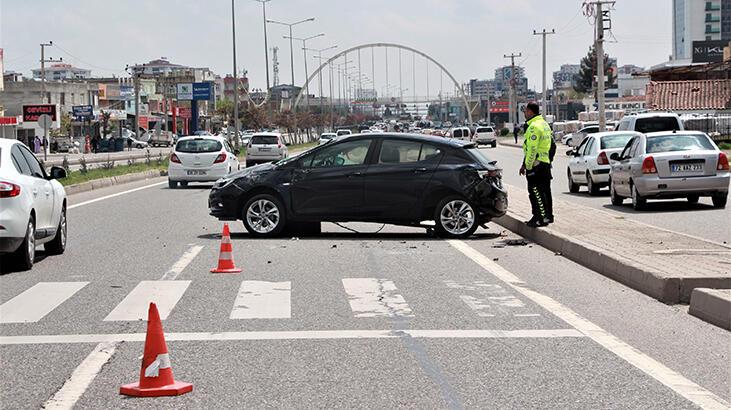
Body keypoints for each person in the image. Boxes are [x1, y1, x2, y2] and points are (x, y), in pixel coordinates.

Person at [519, 102, 553, 227]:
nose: (524, 114)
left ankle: (539, 218)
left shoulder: (533, 126)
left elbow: (532, 149)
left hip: (536, 165)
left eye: (525, 112)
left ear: (530, 112)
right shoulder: (545, 125)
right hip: (545, 163)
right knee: (545, 191)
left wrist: (528, 166)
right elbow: (552, 146)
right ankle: (547, 216)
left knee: (535, 192)